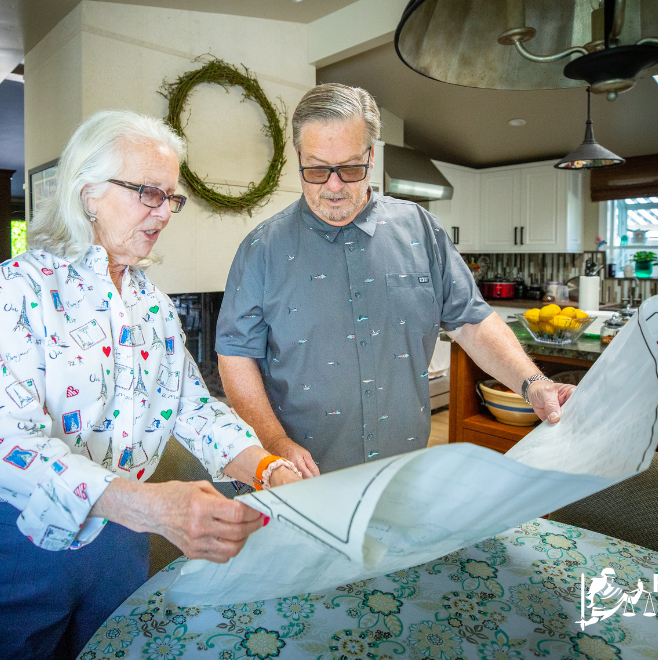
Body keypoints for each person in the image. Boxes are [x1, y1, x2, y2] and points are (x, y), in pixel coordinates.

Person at [0, 110, 302, 660]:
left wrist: (264, 467)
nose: (164, 212)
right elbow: (4, 442)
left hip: (120, 542)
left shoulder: (152, 305)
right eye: (147, 193)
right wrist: (155, 508)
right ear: (88, 193)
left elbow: (192, 408)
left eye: (171, 198)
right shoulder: (14, 289)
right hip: (11, 546)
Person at [216, 83, 574, 478]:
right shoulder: (261, 249)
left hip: (403, 469)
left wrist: (533, 383)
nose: (333, 187)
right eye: (316, 169)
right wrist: (274, 441)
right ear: (298, 157)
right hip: (301, 477)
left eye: (350, 168)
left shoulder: (421, 229)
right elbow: (236, 353)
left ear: (371, 157)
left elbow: (471, 320)